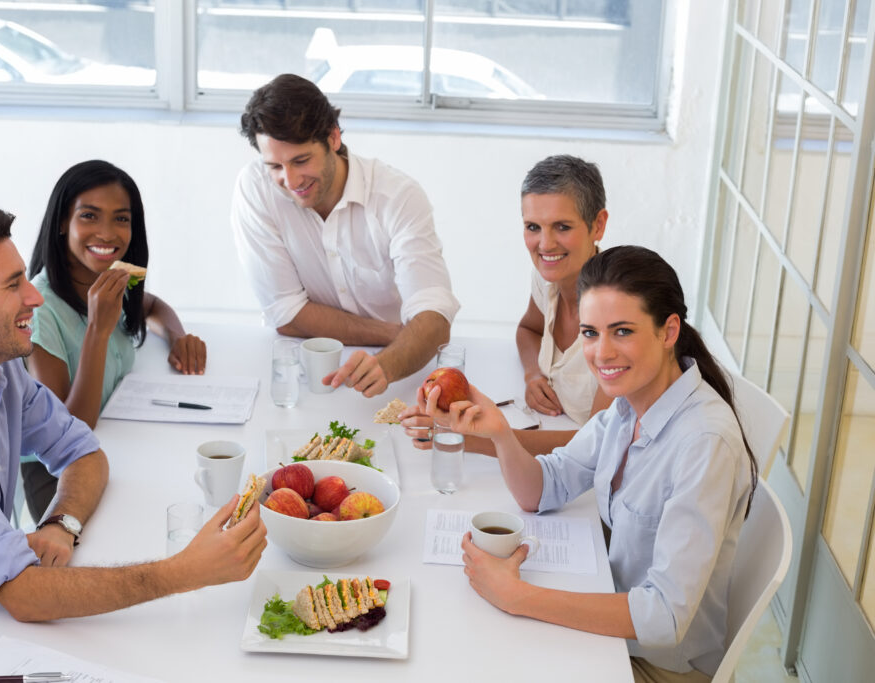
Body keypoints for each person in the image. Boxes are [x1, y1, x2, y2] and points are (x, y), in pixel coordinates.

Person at [0, 210, 265, 682]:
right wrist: (184, 571)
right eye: (12, 286)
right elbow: (27, 596)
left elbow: (84, 453)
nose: (34, 298)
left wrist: (61, 523)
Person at [422, 246, 758, 681]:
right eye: (590, 332)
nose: (601, 353)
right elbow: (542, 490)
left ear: (668, 330)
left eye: (621, 331)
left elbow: (663, 618)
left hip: (654, 666)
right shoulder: (627, 407)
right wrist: (500, 433)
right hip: (609, 624)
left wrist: (517, 595)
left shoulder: (704, 444)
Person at [232, 73, 460, 397]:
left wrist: (387, 362)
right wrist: (400, 334)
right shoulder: (256, 187)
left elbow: (434, 319)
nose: (291, 179)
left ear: (333, 138)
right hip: (303, 374)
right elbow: (287, 315)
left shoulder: (398, 197)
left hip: (396, 374)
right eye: (275, 166)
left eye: (301, 160)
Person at [22, 160, 207, 519]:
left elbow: (150, 305)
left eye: (121, 219)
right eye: (89, 216)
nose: (107, 233)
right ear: (63, 222)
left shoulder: (106, 279)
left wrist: (177, 336)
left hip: (116, 443)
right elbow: (68, 428)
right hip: (60, 475)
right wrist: (98, 331)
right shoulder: (41, 310)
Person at [401, 155, 611, 456]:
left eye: (562, 227)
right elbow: (528, 329)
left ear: (598, 225)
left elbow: (595, 444)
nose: (545, 244)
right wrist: (532, 375)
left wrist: (462, 437)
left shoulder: (618, 316)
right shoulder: (549, 278)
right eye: (533, 227)